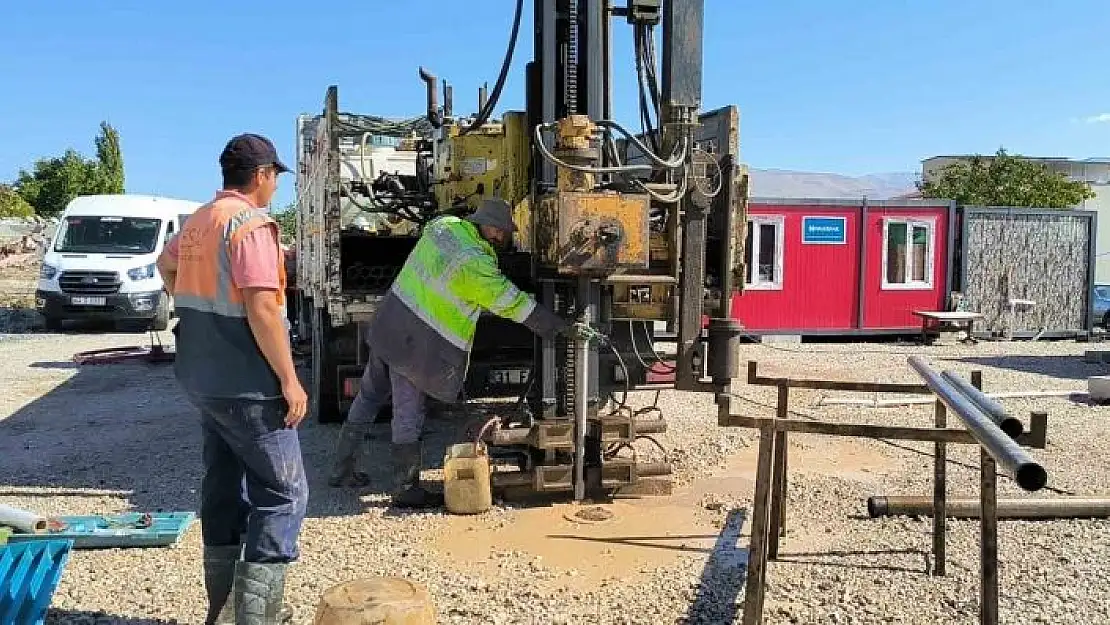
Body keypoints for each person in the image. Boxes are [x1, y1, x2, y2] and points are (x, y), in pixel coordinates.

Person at [328, 197, 569, 507]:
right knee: (408, 413)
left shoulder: (442, 228)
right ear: (492, 228)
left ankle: (341, 469)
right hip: (415, 345)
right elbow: (511, 302)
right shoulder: (475, 264)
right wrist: (556, 326)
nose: (503, 240)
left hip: (390, 325)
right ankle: (405, 488)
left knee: (369, 396)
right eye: (503, 233)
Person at [158, 133, 308, 624]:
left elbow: (165, 263)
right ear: (263, 176)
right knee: (283, 492)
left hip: (203, 378)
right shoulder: (249, 224)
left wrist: (195, 313)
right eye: (275, 178)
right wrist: (290, 379)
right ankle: (255, 618)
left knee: (225, 486)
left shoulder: (201, 220)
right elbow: (264, 307)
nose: (275, 188)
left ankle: (222, 609)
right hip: (248, 381)